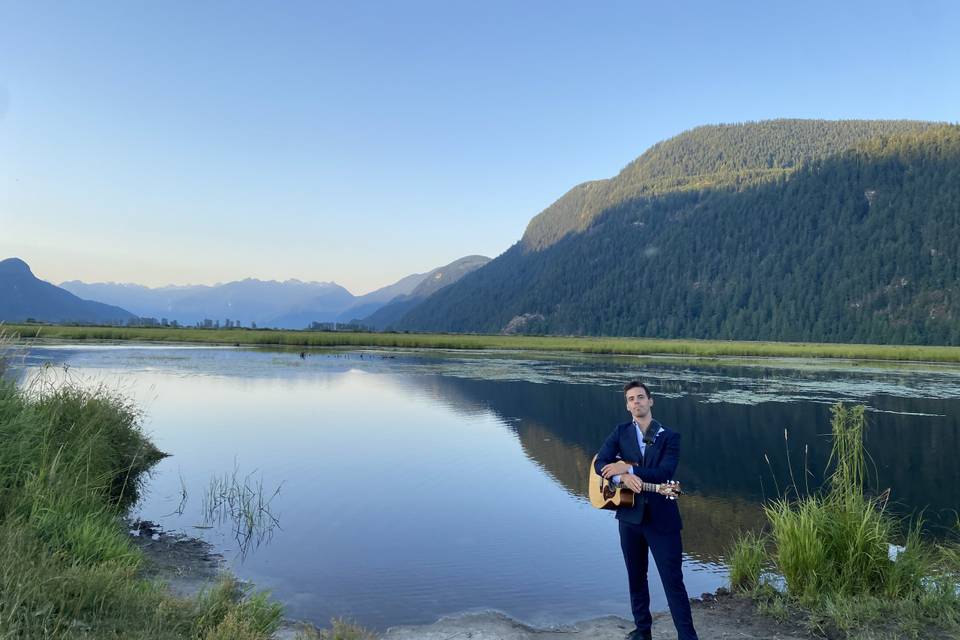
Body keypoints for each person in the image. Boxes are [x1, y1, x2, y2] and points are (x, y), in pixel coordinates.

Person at [594, 381, 698, 640]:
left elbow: (664, 473)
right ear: (627, 405)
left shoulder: (669, 437)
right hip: (629, 518)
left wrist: (627, 470)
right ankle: (643, 632)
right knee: (636, 579)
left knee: (673, 582)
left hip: (662, 521)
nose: (636, 402)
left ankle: (687, 637)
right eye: (631, 399)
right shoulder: (620, 432)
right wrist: (621, 479)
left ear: (651, 401)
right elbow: (600, 464)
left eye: (641, 397)